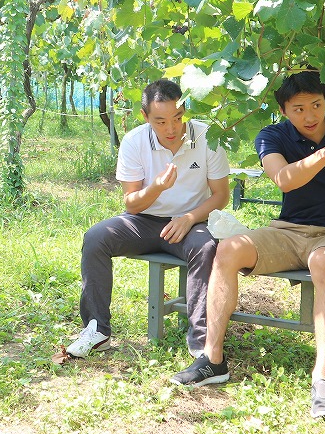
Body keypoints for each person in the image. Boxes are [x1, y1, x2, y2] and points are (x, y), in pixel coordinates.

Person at [180, 69, 325, 419]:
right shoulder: (272, 136)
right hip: (287, 230)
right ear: (284, 111)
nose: (310, 115)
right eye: (299, 109)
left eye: (316, 105)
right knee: (226, 250)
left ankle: (323, 377)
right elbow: (284, 180)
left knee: (322, 262)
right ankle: (213, 359)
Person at [67, 79, 230, 380]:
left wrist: (190, 217)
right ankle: (97, 329)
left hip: (191, 222)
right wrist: (156, 187)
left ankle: (202, 344)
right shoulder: (134, 141)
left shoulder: (207, 136)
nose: (171, 128)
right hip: (144, 220)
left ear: (185, 110)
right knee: (96, 238)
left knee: (206, 247)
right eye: (161, 121)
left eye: (177, 118)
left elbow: (221, 195)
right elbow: (131, 204)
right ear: (145, 116)